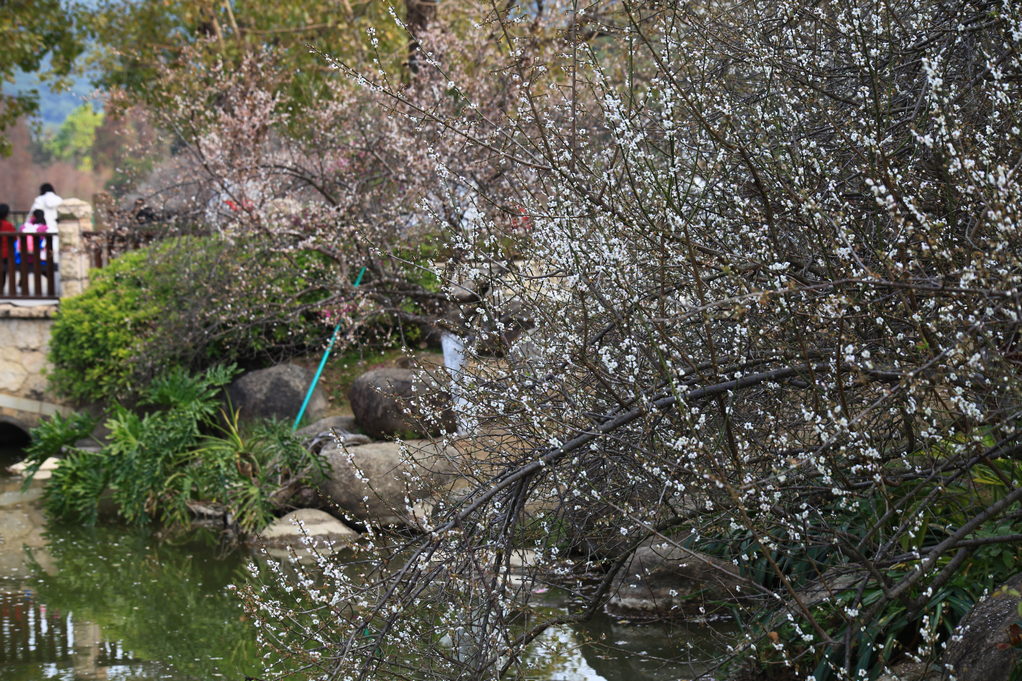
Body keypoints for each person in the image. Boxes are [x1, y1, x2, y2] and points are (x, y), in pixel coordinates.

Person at [0, 204, 14, 295]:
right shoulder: (9, 225)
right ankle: (1, 289)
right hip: (5, 254)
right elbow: (14, 239)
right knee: (3, 271)